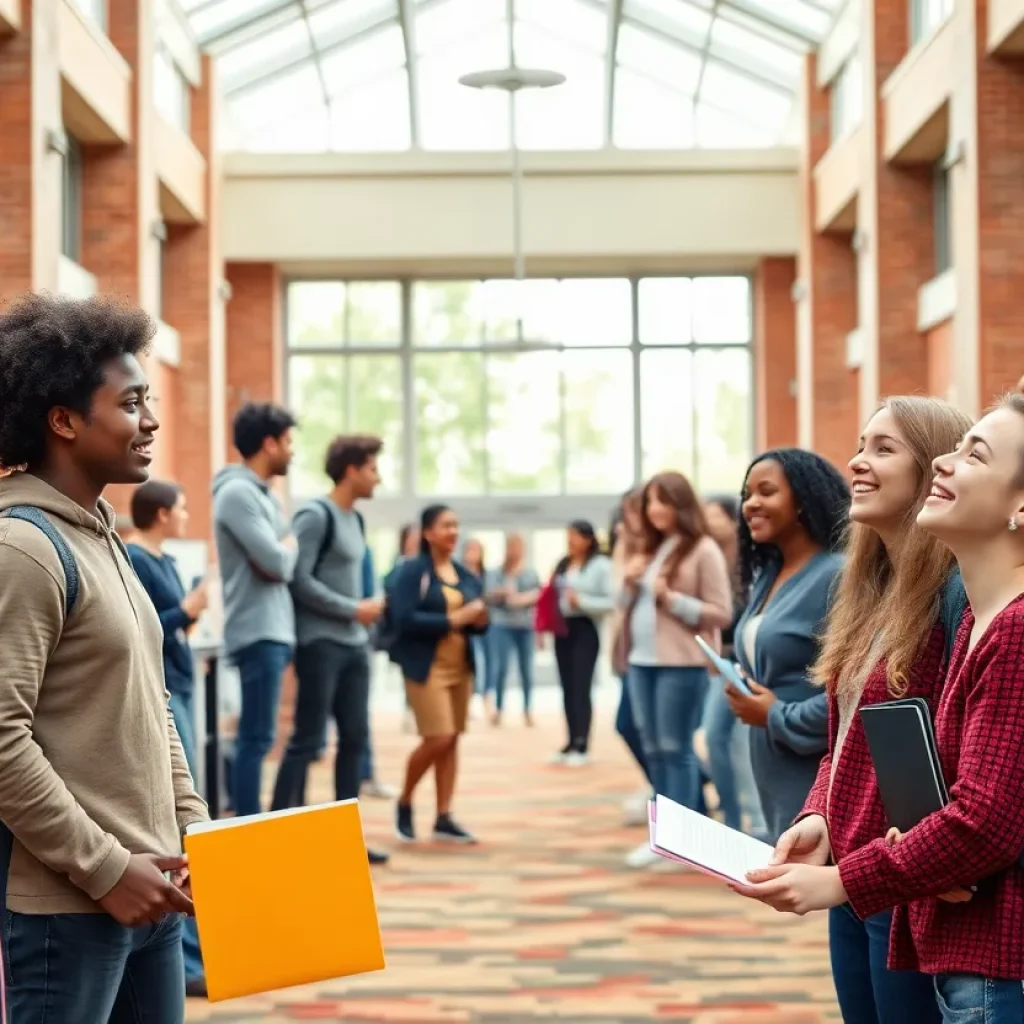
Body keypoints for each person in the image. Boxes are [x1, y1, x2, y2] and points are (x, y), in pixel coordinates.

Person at [737, 393, 1024, 1022]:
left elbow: (978, 784)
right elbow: (850, 740)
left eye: (883, 448)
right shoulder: (871, 590)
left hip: (912, 876)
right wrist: (821, 814)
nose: (857, 463)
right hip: (862, 864)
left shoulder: (964, 599)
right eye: (861, 446)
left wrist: (877, 865)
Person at [0, 294, 207, 1020]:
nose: (150, 421)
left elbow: (153, 705)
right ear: (63, 420)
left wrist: (193, 827)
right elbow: (1, 740)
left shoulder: (102, 538)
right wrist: (107, 867)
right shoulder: (23, 549)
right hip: (72, 906)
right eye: (131, 403)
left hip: (153, 888)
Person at [270, 435, 390, 865]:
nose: (378, 476)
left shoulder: (355, 520)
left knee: (355, 738)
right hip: (321, 643)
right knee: (306, 739)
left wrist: (365, 611)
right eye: (373, 468)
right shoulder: (316, 515)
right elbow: (298, 579)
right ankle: (280, 832)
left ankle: (343, 839)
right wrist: (352, 609)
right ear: (352, 469)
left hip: (355, 646)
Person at [727, 449, 848, 840]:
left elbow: (856, 693)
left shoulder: (838, 574)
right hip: (774, 760)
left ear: (802, 500)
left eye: (767, 492)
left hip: (815, 766)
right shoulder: (771, 573)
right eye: (747, 494)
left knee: (838, 891)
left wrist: (776, 715)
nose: (751, 504)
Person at [621, 472, 733, 867]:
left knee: (676, 749)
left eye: (663, 501)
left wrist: (671, 599)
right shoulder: (654, 549)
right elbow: (632, 606)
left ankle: (681, 842)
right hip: (642, 662)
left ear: (682, 504)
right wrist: (631, 582)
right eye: (651, 502)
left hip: (681, 663)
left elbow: (720, 611)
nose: (654, 510)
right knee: (654, 751)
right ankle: (663, 838)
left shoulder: (703, 549)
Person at [126, 479, 211, 997]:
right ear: (160, 513)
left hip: (180, 682)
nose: (184, 516)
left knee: (191, 804)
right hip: (164, 690)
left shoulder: (169, 563)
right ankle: (189, 959)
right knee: (180, 824)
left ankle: (197, 951)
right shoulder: (136, 559)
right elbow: (148, 629)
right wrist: (191, 610)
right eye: (179, 509)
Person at [212, 402, 297, 817]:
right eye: (288, 442)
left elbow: (280, 558)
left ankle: (251, 825)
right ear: (268, 443)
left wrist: (284, 546)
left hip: (273, 630)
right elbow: (279, 563)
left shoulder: (265, 495)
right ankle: (248, 829)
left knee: (261, 738)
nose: (292, 451)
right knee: (256, 739)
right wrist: (290, 544)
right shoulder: (237, 494)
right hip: (258, 630)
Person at [391, 505, 487, 844]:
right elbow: (402, 619)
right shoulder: (411, 571)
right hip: (426, 665)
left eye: (456, 525)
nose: (453, 531)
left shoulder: (464, 573)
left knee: (452, 740)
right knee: (439, 737)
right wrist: (453, 620)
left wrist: (478, 620)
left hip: (460, 665)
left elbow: (476, 618)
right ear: (428, 532)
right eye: (446, 525)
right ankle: (403, 801)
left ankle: (444, 816)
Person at [700, 494, 767, 840]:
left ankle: (756, 823)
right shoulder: (708, 556)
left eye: (713, 516)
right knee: (714, 737)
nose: (707, 523)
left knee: (742, 743)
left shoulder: (751, 559)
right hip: (720, 660)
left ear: (731, 520)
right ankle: (731, 814)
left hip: (747, 662)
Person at [550, 520, 614, 766]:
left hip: (585, 628)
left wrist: (583, 601)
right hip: (562, 628)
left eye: (575, 536)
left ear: (588, 538)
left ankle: (582, 743)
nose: (570, 542)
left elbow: (611, 601)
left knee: (581, 686)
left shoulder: (601, 565)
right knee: (567, 687)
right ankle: (570, 740)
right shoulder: (564, 563)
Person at [609, 488, 652, 825]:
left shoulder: (661, 550)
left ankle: (686, 788)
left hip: (658, 655)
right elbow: (619, 601)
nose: (627, 522)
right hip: (632, 652)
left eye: (633, 512)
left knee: (650, 734)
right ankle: (675, 787)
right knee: (630, 725)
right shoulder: (628, 548)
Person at [484, 532, 540, 726]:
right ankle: (498, 709)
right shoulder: (496, 573)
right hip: (502, 625)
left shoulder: (530, 573)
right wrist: (500, 594)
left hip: (525, 626)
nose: (514, 551)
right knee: (500, 668)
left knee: (527, 669)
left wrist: (523, 598)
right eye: (511, 546)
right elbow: (487, 595)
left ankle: (527, 709)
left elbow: (538, 596)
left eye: (518, 547)